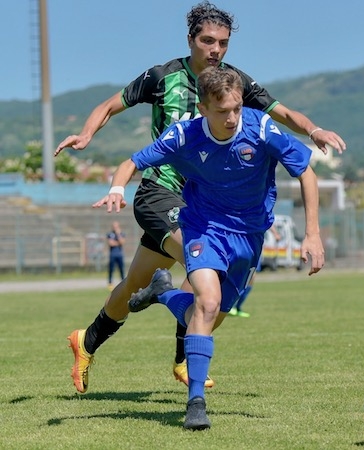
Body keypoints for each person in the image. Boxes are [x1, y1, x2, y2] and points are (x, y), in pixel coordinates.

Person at [56, 1, 345, 394]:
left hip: (202, 201)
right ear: (191, 40)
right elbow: (109, 106)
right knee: (201, 270)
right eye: (208, 41)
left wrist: (314, 130)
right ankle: (184, 358)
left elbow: (282, 112)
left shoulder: (233, 83)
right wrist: (88, 135)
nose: (216, 50)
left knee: (133, 284)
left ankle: (86, 341)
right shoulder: (162, 76)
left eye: (223, 43)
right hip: (160, 192)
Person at [95, 66, 324, 430]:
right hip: (203, 228)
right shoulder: (184, 136)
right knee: (208, 302)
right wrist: (116, 190)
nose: (233, 118)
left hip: (248, 237)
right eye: (222, 111)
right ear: (202, 108)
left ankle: (162, 293)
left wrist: (312, 234)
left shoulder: (260, 127)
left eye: (236, 108)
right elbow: (130, 163)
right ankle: (196, 402)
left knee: (207, 315)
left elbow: (306, 172)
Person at [228, 223, 281, 318]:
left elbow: (268, 219)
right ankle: (230, 305)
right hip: (243, 245)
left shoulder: (261, 212)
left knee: (250, 279)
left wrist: (275, 233)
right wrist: (275, 233)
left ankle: (237, 307)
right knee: (238, 276)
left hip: (255, 245)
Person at [106, 221, 126, 290]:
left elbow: (122, 242)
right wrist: (118, 243)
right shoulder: (110, 234)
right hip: (112, 254)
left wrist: (118, 234)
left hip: (119, 254)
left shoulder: (121, 234)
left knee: (121, 269)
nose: (115, 228)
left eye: (116, 226)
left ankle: (123, 282)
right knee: (111, 269)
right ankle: (110, 283)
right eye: (114, 226)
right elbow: (110, 243)